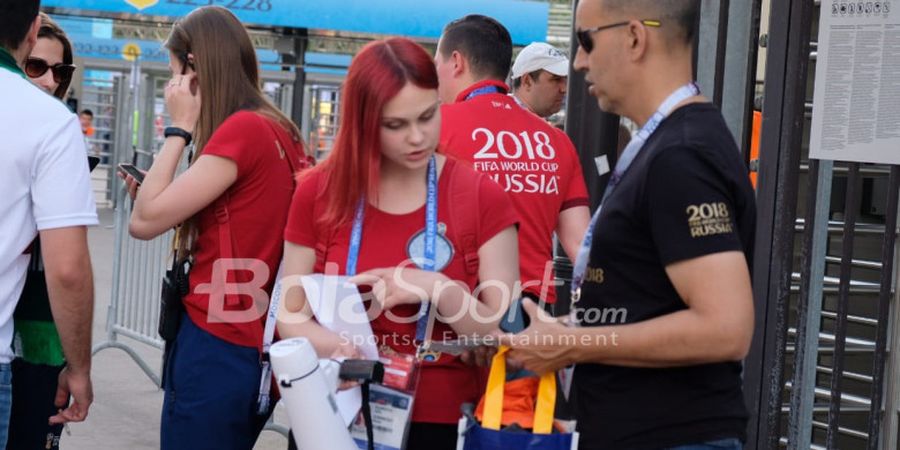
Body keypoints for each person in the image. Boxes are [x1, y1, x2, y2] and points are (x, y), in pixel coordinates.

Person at [498, 1, 756, 449]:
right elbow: (648, 302)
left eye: (585, 41)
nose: (578, 63)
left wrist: (575, 345)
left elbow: (726, 328)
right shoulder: (665, 144)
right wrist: (562, 333)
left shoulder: (682, 154)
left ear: (635, 37)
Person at [278, 37, 519, 450]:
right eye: (396, 125)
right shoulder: (318, 191)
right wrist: (343, 349)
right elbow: (289, 312)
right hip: (334, 409)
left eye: (428, 116)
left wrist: (436, 288)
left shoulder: (481, 195)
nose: (417, 137)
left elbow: (497, 330)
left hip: (440, 420)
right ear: (364, 122)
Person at [123, 6, 308, 449]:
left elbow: (143, 223)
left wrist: (179, 127)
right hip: (252, 340)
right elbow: (243, 219)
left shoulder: (241, 129)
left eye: (174, 74)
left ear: (194, 67)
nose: (172, 87)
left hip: (217, 342)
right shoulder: (279, 129)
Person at [435, 15, 590, 313]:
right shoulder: (556, 142)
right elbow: (582, 246)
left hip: (457, 308)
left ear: (456, 62)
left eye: (436, 65)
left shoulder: (435, 129)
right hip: (533, 312)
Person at [0, 1, 97, 447]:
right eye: (37, 65)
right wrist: (80, 368)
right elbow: (68, 269)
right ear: (32, 26)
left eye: (60, 72)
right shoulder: (50, 125)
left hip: (34, 351)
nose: (46, 80)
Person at [509, 42, 569, 119]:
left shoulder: (504, 116)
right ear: (527, 81)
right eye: (556, 79)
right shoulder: (505, 120)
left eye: (565, 79)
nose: (564, 89)